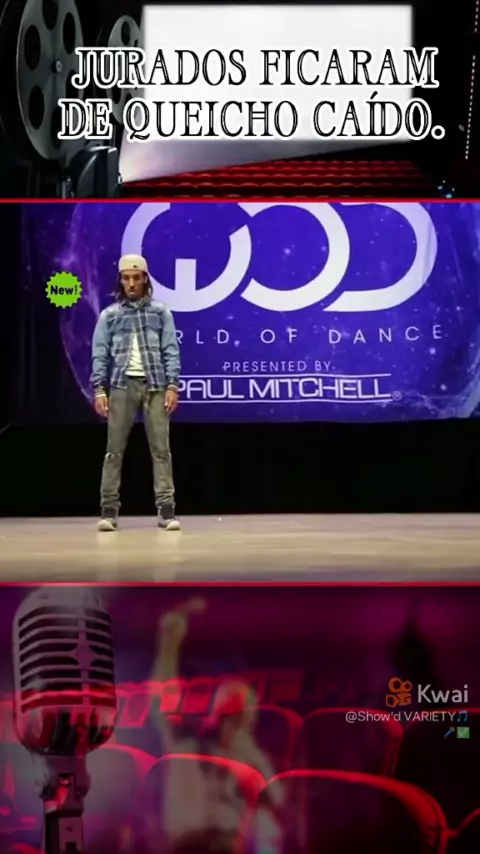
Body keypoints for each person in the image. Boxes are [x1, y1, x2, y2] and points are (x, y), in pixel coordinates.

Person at [144, 598, 283, 854]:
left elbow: (276, 800)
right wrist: (169, 644)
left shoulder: (251, 759)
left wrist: (246, 754)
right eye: (231, 715)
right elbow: (163, 699)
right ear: (216, 715)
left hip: (228, 845)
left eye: (242, 716)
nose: (236, 723)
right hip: (186, 844)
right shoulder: (186, 744)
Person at [90, 254, 181, 532]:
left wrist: (172, 385)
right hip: (121, 385)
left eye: (136, 278)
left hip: (155, 386)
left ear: (144, 279)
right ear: (120, 280)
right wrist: (99, 389)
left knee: (161, 450)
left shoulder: (160, 313)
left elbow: (170, 350)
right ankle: (109, 512)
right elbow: (100, 354)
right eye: (126, 278)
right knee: (114, 451)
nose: (131, 283)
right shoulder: (110, 315)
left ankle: (166, 512)